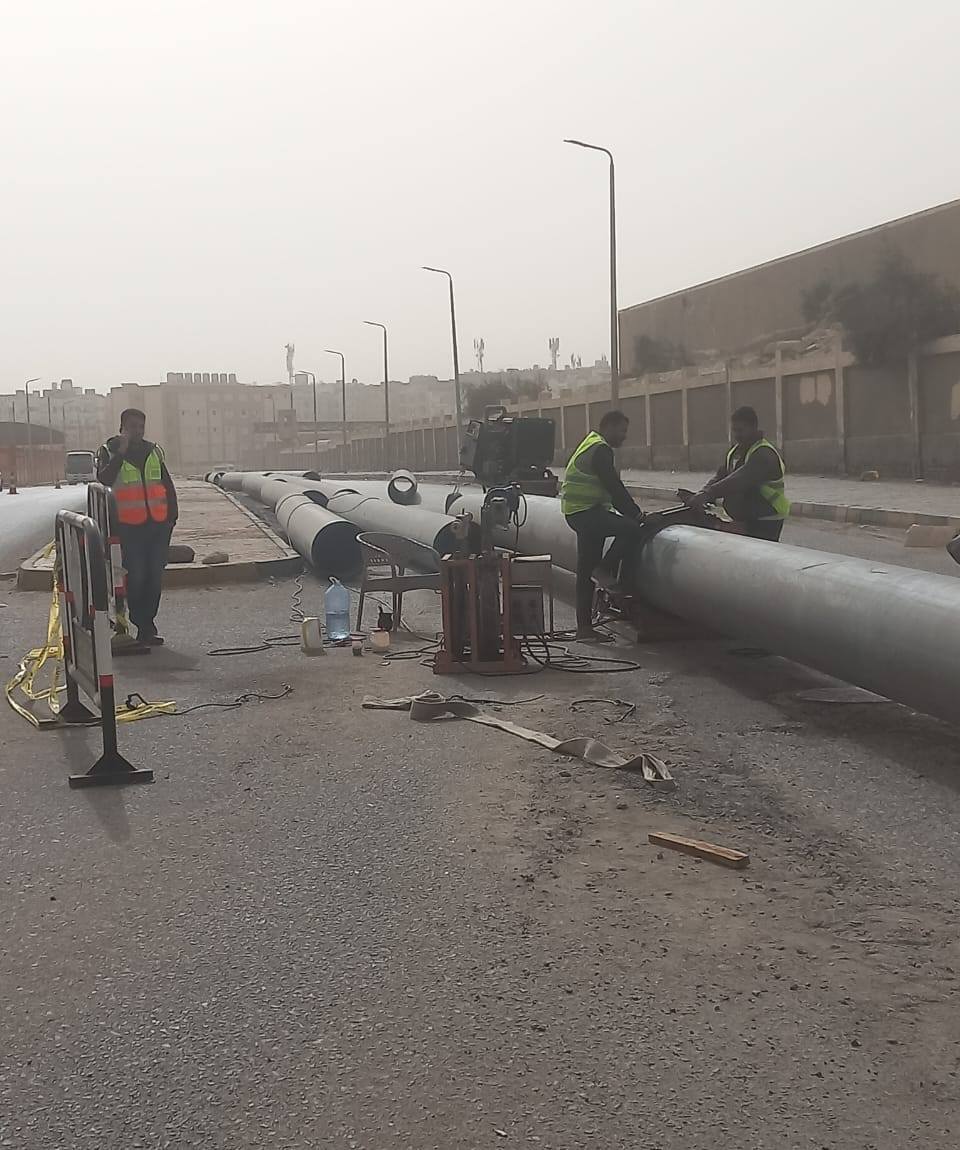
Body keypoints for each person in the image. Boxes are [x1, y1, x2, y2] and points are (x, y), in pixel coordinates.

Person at [561, 409, 645, 641]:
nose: (624, 436)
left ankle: (584, 629)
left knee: (585, 571)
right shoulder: (601, 449)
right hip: (586, 513)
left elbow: (610, 490)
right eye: (622, 430)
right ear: (609, 427)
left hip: (579, 512)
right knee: (632, 530)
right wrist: (638, 515)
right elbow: (614, 487)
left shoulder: (591, 443)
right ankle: (606, 569)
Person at [96, 408, 178, 645]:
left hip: (158, 525)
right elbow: (104, 479)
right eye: (133, 427)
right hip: (129, 527)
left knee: (154, 577)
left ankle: (147, 626)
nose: (138, 431)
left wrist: (172, 517)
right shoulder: (109, 451)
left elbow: (166, 484)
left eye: (141, 427)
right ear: (122, 428)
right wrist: (120, 453)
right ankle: (138, 621)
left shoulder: (153, 451)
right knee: (137, 576)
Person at [681, 406, 790, 541]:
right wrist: (702, 494)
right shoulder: (735, 451)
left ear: (753, 428)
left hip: (766, 520)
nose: (737, 435)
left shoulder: (764, 454)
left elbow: (739, 480)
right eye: (734, 430)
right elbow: (721, 476)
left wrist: (707, 494)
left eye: (740, 430)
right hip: (747, 518)